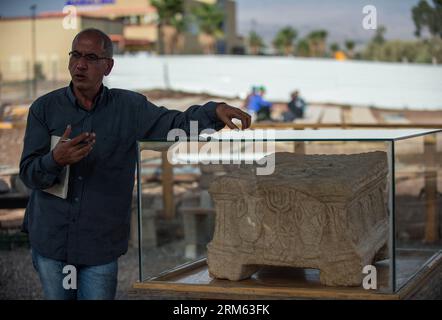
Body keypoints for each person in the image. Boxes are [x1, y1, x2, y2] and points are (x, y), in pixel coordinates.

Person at [19, 28, 251, 300]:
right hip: (53, 241)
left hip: (100, 246)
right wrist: (54, 160)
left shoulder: (130, 108)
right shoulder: (44, 109)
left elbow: (175, 125)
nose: (80, 64)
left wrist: (212, 112)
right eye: (76, 55)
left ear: (108, 66)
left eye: (91, 57)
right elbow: (28, 174)